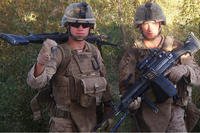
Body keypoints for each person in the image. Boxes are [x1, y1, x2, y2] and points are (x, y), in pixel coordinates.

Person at [27, 2, 113, 132]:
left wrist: (108, 111)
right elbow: (36, 83)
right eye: (75, 24)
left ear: (91, 27)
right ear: (67, 26)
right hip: (64, 125)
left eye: (85, 24)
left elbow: (104, 82)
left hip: (91, 121)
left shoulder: (94, 51)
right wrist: (41, 62)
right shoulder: (59, 52)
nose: (80, 27)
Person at [119, 1, 200, 132]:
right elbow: (125, 88)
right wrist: (132, 104)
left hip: (175, 113)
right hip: (147, 115)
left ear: (160, 23)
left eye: (154, 23)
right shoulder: (132, 53)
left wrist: (185, 69)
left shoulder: (176, 47)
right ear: (139, 26)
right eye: (145, 24)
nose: (149, 28)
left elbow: (198, 74)